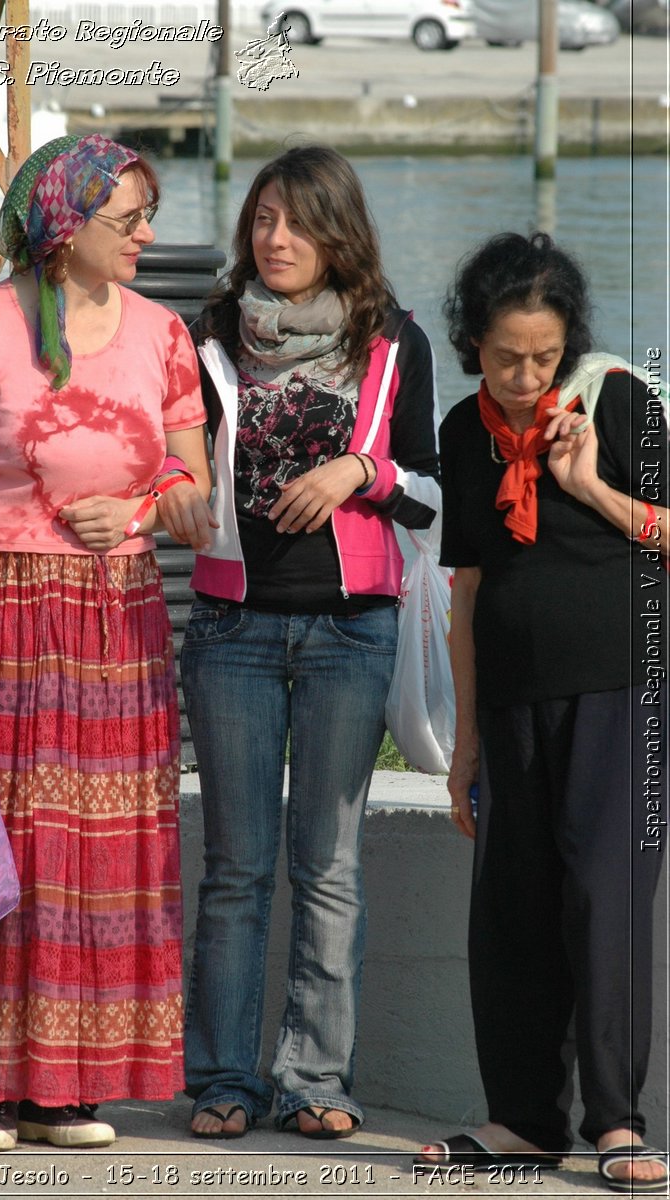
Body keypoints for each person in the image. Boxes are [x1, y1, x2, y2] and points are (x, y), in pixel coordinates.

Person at [0, 134, 216, 1154]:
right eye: (128, 222)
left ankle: (65, 1089)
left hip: (117, 626)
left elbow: (199, 502)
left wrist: (151, 509)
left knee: (104, 859)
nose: (148, 237)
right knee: (4, 846)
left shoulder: (165, 335)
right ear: (64, 227)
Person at [180, 145, 441, 1139]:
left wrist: (358, 474)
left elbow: (428, 493)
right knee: (237, 868)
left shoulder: (394, 342)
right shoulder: (209, 336)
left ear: (339, 233)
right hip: (231, 629)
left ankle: (317, 1084)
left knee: (328, 866)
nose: (276, 240)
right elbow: (168, 459)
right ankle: (223, 1083)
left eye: (297, 222)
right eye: (262, 221)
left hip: (351, 631)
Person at [418, 232, 668, 1192]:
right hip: (515, 696)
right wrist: (464, 743)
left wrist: (589, 486)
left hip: (624, 687)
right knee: (512, 905)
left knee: (604, 902)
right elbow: (470, 591)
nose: (526, 376)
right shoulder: (459, 428)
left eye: (544, 356)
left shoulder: (614, 401)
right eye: (506, 356)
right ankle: (525, 1118)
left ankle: (619, 1122)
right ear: (472, 342)